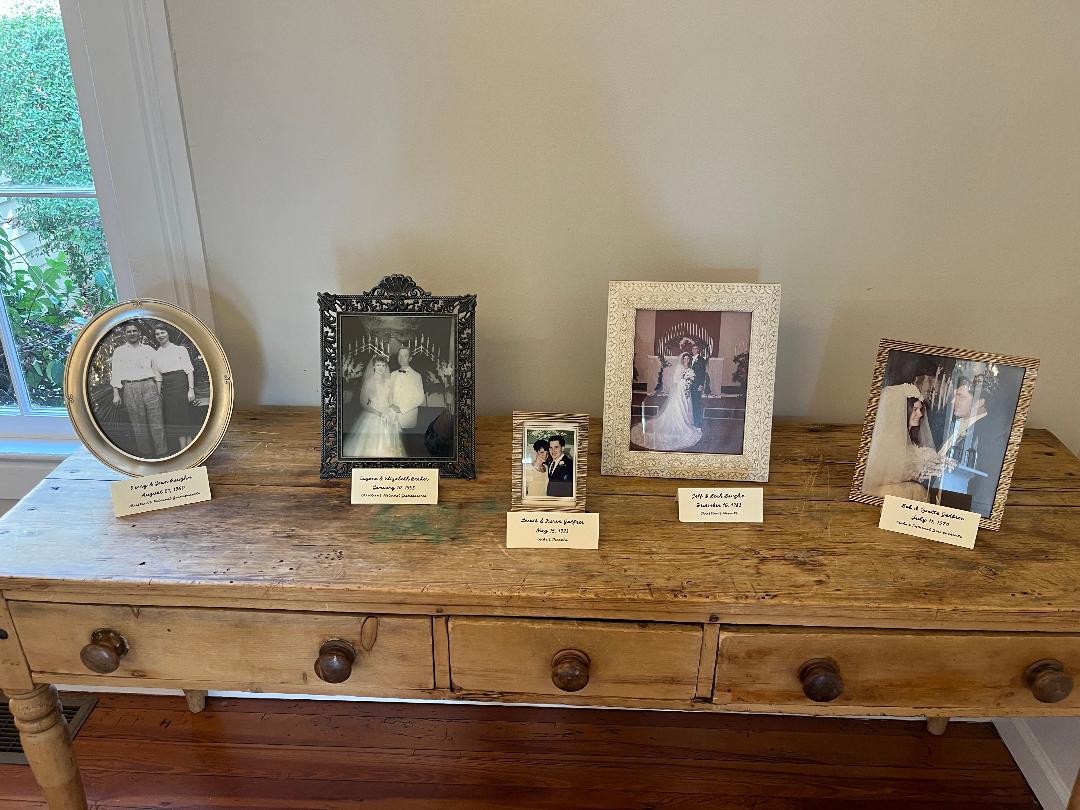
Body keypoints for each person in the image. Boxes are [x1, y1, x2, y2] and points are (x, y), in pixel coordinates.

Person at [939, 375, 1010, 517]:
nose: (953, 401)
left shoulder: (989, 432)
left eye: (960, 396)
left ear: (979, 402)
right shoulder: (956, 425)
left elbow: (987, 481)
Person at [862, 383, 943, 501]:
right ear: (901, 410)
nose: (920, 414)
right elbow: (880, 478)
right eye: (915, 409)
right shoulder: (886, 441)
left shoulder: (913, 440)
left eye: (920, 409)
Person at [109, 322, 167, 458]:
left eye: (134, 331)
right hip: (130, 387)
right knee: (139, 425)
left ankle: (162, 454)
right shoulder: (119, 351)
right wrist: (116, 394)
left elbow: (156, 370)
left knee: (157, 423)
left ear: (139, 333)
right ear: (125, 334)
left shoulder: (148, 349)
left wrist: (158, 391)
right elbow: (116, 373)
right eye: (129, 331)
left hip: (149, 386)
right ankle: (146, 455)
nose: (132, 333)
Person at [629, 352, 702, 451]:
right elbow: (676, 381)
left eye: (688, 359)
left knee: (686, 405)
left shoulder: (690, 368)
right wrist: (684, 380)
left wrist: (688, 381)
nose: (686, 360)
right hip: (680, 390)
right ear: (682, 359)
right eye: (685, 358)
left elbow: (691, 379)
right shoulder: (679, 367)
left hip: (686, 390)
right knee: (680, 406)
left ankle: (687, 420)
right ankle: (681, 422)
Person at [342, 355, 405, 457]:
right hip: (374, 413)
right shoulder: (369, 381)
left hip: (388, 413)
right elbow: (363, 403)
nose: (381, 368)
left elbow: (390, 400)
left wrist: (394, 407)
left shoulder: (388, 381)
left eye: (383, 365)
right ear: (374, 366)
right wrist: (379, 414)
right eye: (378, 365)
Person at [153, 325, 197, 453]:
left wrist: (191, 390)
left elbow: (189, 371)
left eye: (162, 332)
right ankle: (182, 447)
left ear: (168, 333)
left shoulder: (180, 349)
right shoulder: (156, 354)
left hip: (180, 383)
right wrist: (158, 394)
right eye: (157, 334)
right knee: (174, 417)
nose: (160, 336)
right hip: (168, 388)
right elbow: (158, 377)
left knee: (184, 415)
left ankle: (190, 446)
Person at [389, 347, 425, 430]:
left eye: (405, 356)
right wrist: (391, 405)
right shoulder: (393, 374)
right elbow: (389, 393)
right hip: (392, 416)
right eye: (400, 355)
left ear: (410, 358)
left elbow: (420, 399)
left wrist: (401, 409)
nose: (401, 358)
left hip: (407, 417)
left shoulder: (416, 376)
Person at [689, 343, 708, 427]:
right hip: (691, 385)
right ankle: (693, 420)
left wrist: (701, 385)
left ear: (698, 350)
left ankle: (698, 423)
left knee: (697, 404)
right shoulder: (690, 359)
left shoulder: (701, 359)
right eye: (692, 349)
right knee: (692, 403)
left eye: (695, 348)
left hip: (697, 385)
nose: (694, 350)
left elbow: (702, 373)